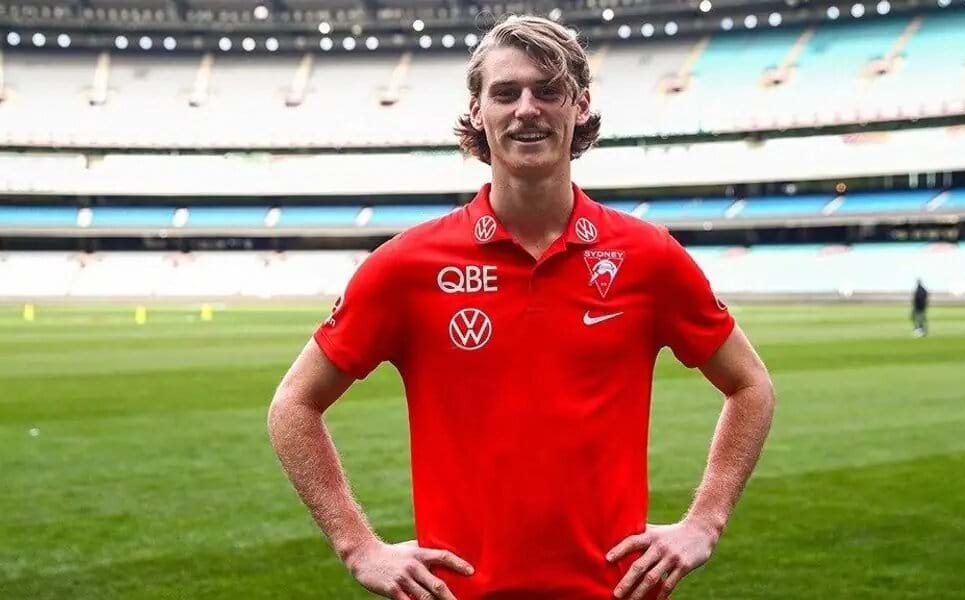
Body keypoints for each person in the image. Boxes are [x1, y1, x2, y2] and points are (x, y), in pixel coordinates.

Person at [268, 15, 775, 600]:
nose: (526, 109)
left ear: (580, 105)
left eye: (548, 90)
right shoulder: (406, 265)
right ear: (478, 111)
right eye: (505, 93)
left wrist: (705, 521)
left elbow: (751, 385)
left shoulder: (648, 256)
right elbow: (293, 405)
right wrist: (358, 546)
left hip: (612, 591)